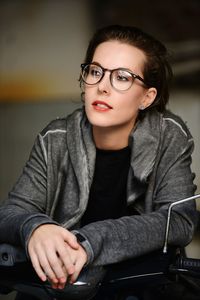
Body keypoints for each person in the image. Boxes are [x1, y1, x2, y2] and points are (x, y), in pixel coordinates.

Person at [0, 25, 197, 296]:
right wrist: (35, 227)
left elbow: (179, 221)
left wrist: (91, 241)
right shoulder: (55, 137)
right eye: (95, 71)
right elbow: (11, 212)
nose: (102, 87)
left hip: (142, 287)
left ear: (147, 97)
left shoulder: (169, 136)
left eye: (122, 77)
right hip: (64, 288)